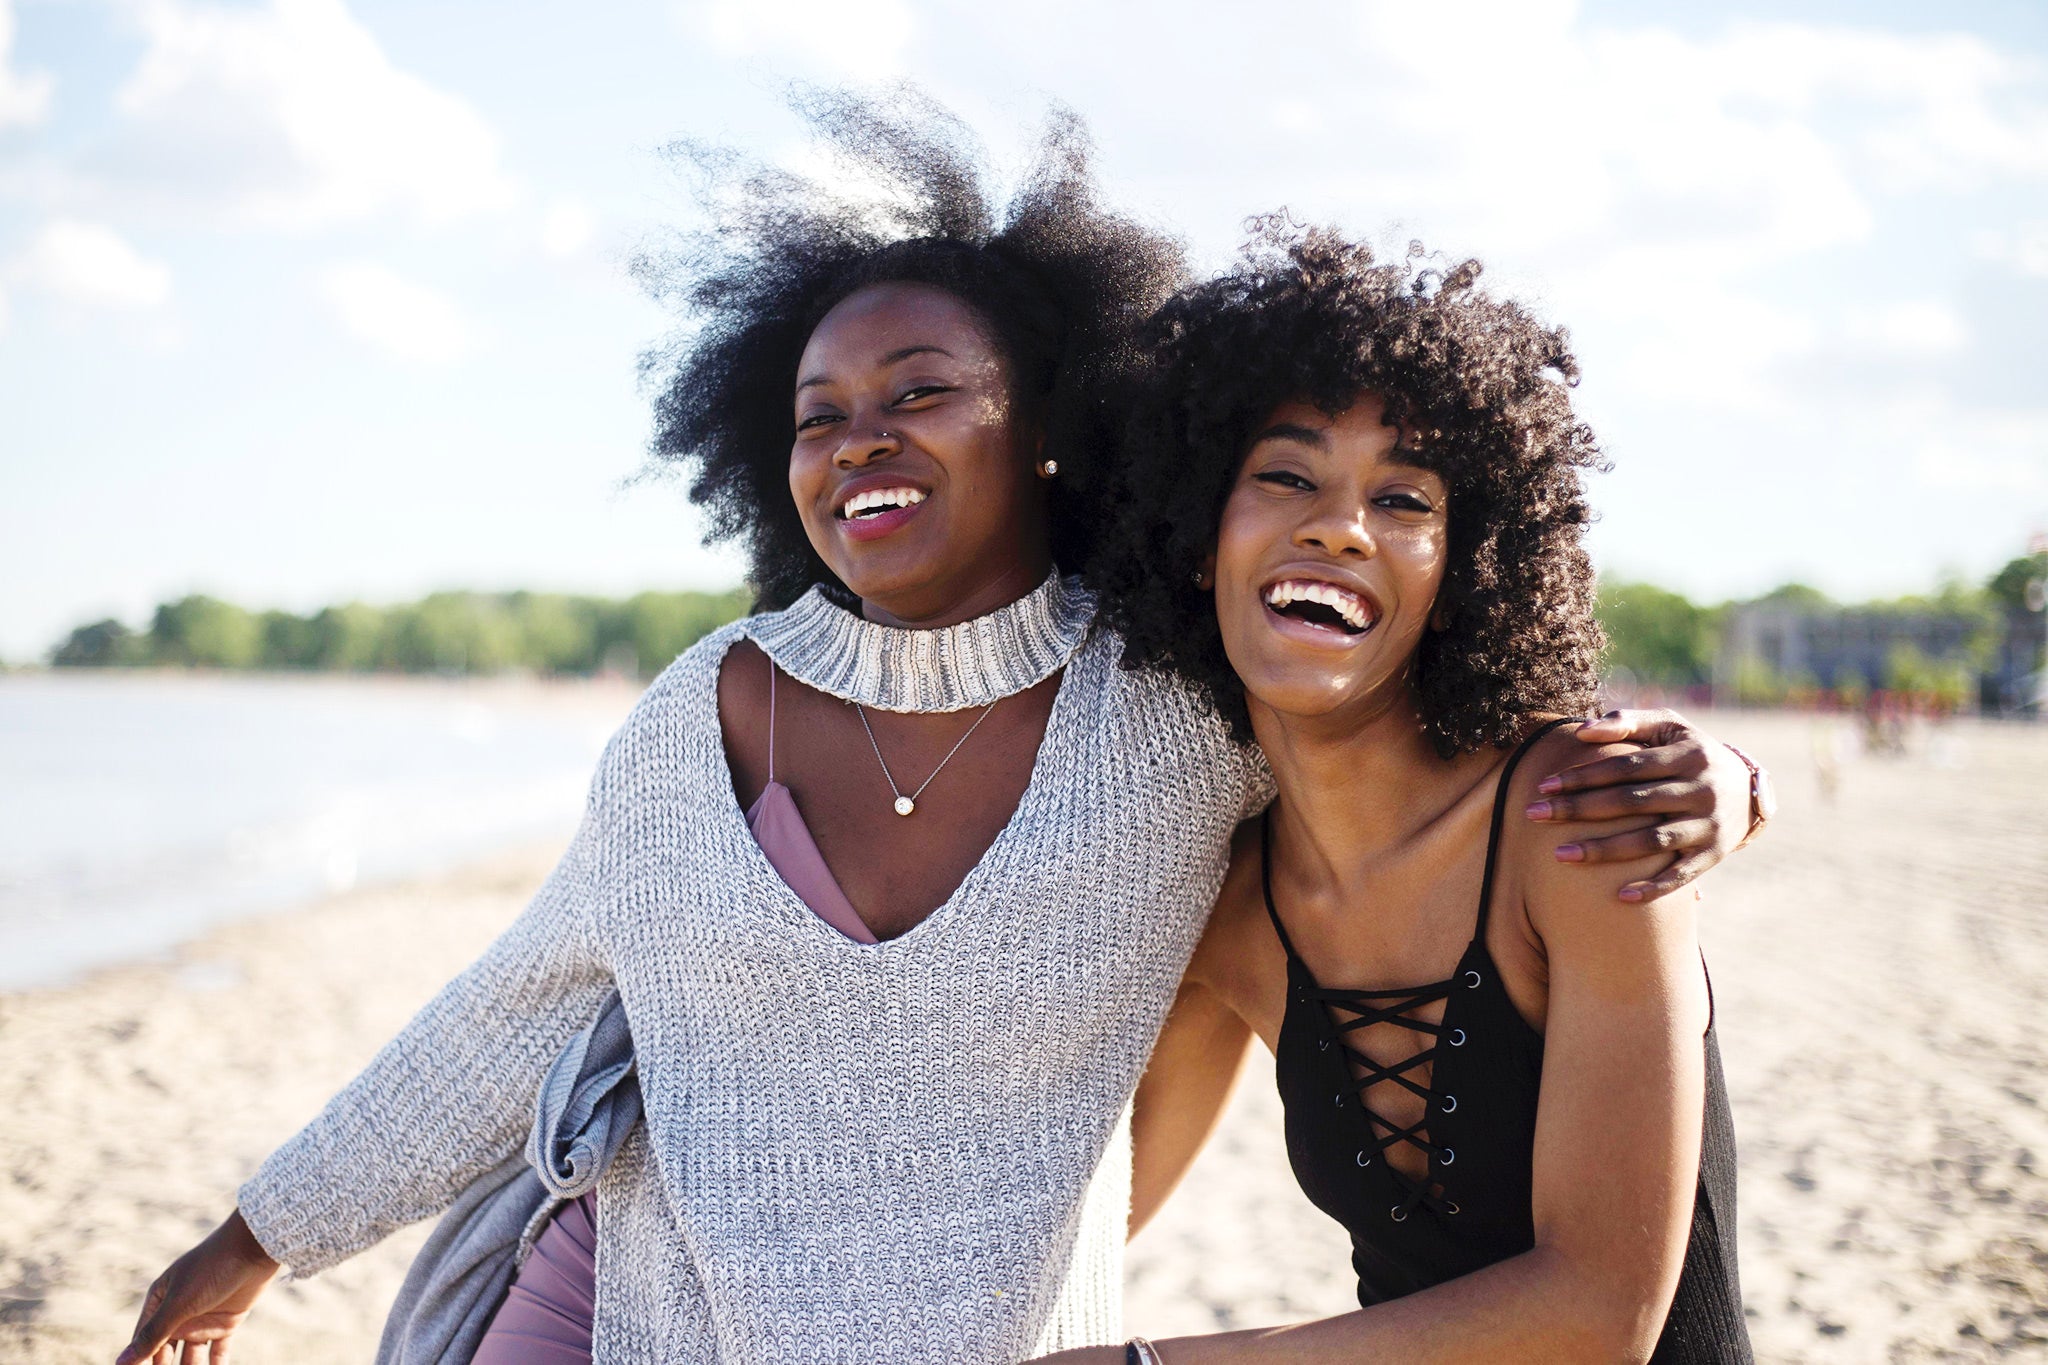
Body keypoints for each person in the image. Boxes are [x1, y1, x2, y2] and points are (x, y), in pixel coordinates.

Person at [120, 98, 1759, 1365]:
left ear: (1049, 433)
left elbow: (1424, 752)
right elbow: (512, 1009)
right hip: (624, 1314)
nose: (860, 442)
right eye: (817, 416)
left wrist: (1726, 782)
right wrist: (251, 1241)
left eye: (920, 392)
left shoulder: (1177, 722)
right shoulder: (701, 713)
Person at [1043, 223, 1754, 1362]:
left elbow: (1599, 1313)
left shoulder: (1579, 821)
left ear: (1465, 569)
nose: (1337, 523)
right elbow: (1072, 1228)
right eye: (1285, 475)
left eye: (1406, 500)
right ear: (1191, 536)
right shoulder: (1225, 908)